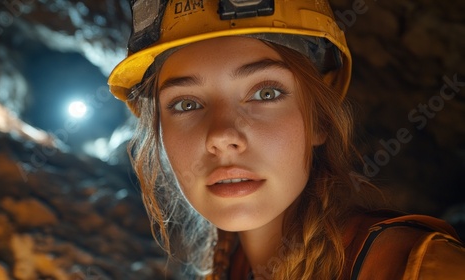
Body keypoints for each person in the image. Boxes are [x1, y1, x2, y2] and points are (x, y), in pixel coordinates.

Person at [108, 1, 465, 279]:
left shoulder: (416, 267)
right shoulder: (230, 260)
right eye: (186, 104)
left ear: (318, 121)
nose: (221, 136)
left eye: (265, 93)